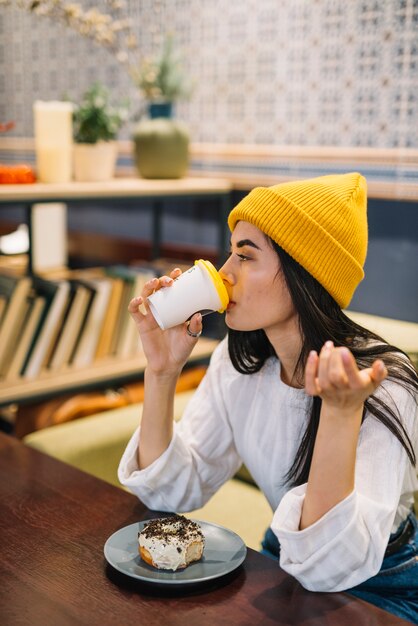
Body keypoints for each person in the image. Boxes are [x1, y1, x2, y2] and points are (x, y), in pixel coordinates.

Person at [119, 172, 418, 623]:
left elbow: (334, 567)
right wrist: (161, 373)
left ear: (304, 272)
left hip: (384, 582)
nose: (224, 273)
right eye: (230, 251)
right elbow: (170, 490)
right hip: (287, 560)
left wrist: (340, 414)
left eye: (245, 256)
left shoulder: (384, 384)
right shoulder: (240, 363)